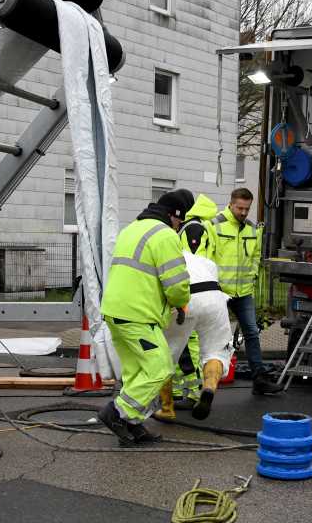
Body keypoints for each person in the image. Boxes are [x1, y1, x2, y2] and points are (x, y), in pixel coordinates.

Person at [98, 189, 193, 445]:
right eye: (181, 221)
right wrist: (182, 304)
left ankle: (132, 425)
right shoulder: (165, 235)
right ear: (175, 216)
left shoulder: (131, 229)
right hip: (138, 315)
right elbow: (176, 284)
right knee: (160, 367)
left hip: (115, 311)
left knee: (136, 371)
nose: (180, 226)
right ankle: (118, 413)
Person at [213, 188, 282, 395]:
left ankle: (259, 380)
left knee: (252, 333)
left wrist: (251, 276)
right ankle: (205, 380)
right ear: (230, 204)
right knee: (213, 336)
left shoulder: (252, 229)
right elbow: (208, 256)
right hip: (219, 291)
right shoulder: (215, 226)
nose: (243, 212)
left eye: (247, 208)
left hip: (243, 291)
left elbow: (255, 257)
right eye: (240, 208)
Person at [157, 243, 234, 421]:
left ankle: (167, 408)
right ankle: (208, 389)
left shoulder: (163, 258)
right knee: (216, 351)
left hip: (186, 299)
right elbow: (214, 272)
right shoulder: (200, 260)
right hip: (215, 297)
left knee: (165, 355)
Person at [169, 193, 221, 411]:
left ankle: (193, 393)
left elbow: (192, 264)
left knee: (188, 345)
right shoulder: (202, 226)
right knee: (190, 344)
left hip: (192, 293)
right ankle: (185, 391)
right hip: (206, 291)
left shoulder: (192, 228)